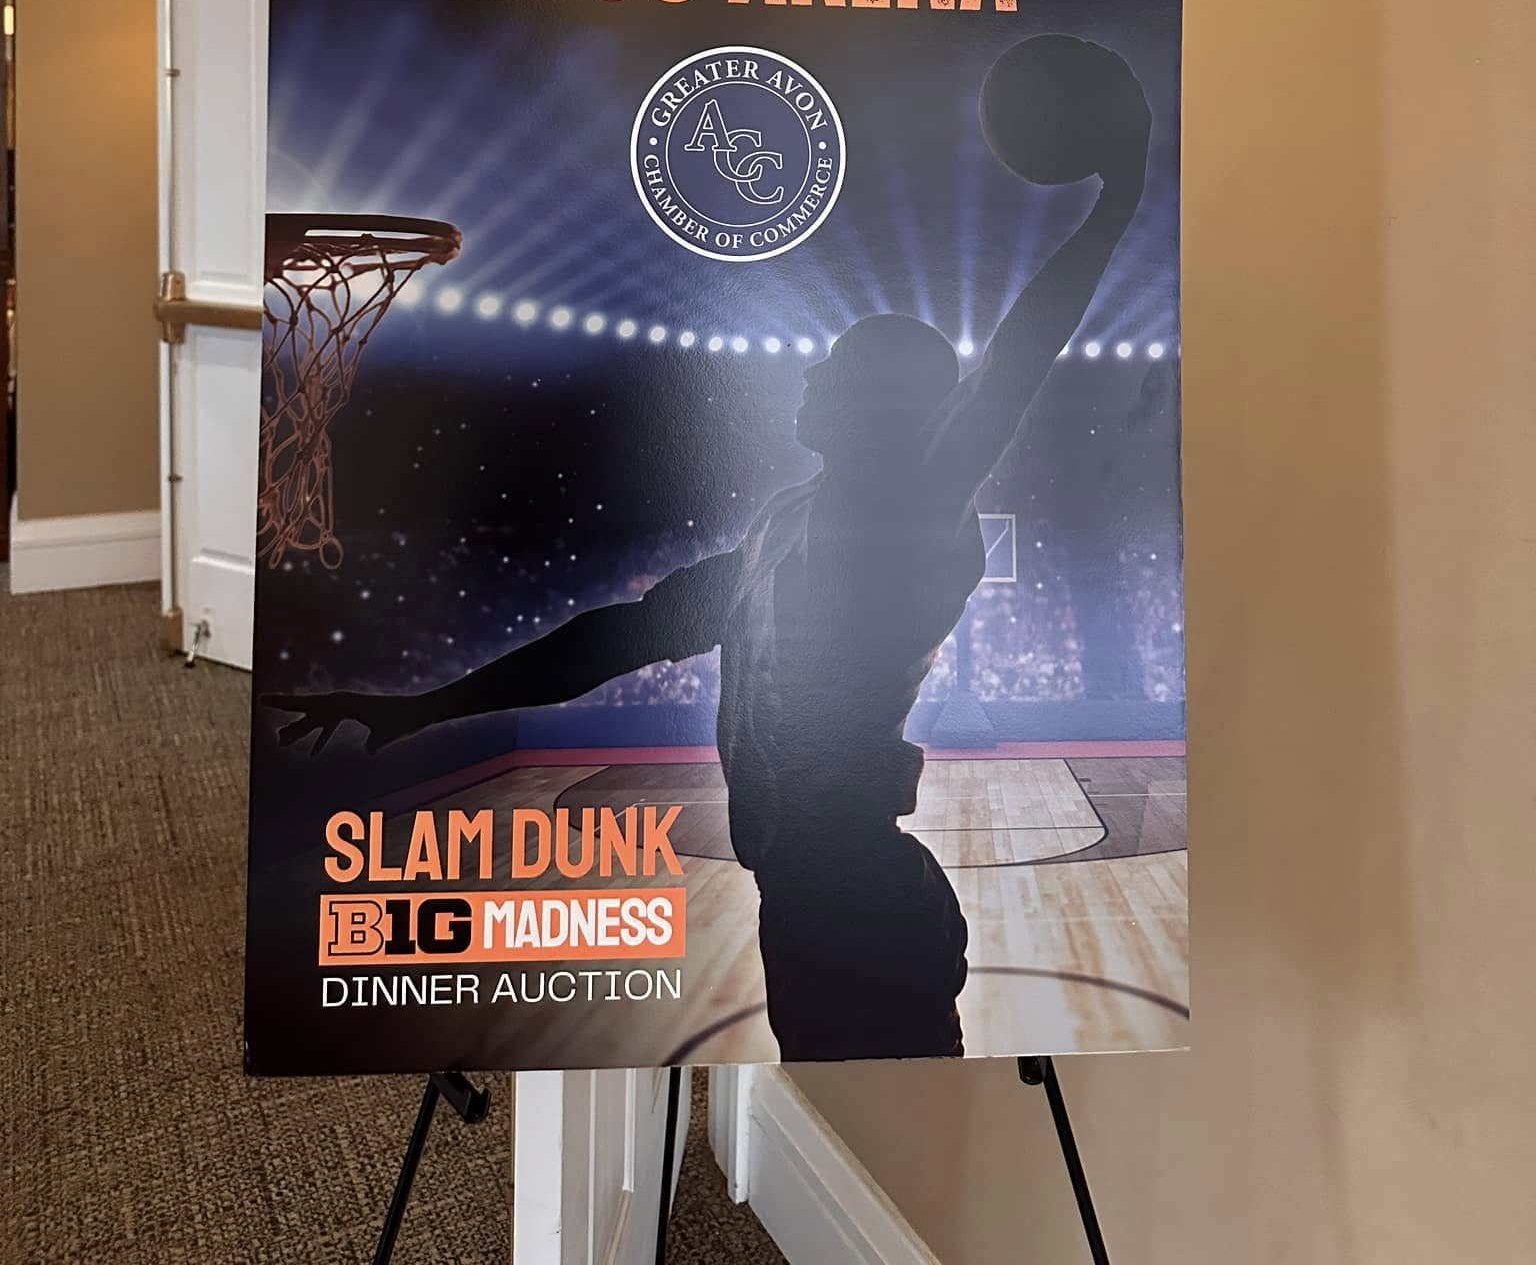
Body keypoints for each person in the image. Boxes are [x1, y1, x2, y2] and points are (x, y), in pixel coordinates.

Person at [269, 80, 1149, 1061]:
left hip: (859, 892)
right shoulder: (784, 523)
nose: (814, 376)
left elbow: (1017, 356)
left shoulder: (909, 508)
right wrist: (416, 704)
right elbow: (616, 635)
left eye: (839, 364)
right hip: (806, 889)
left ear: (893, 404)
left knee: (877, 1098)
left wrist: (1116, 200)